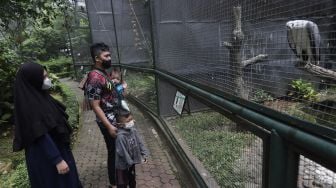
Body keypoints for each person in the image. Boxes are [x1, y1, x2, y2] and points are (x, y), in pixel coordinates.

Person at [13, 62, 82, 188]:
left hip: (58, 149)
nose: (47, 80)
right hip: (47, 157)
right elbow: (40, 134)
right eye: (43, 77)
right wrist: (57, 159)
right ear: (33, 80)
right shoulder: (29, 106)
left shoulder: (42, 97)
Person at [85, 42, 120, 187]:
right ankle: (114, 183)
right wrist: (109, 127)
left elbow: (109, 88)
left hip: (115, 117)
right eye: (106, 56)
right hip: (107, 121)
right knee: (113, 152)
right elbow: (95, 105)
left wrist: (117, 85)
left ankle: (120, 176)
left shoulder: (103, 73)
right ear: (97, 58)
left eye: (109, 55)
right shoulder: (94, 77)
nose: (109, 58)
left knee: (118, 150)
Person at [115, 109, 149, 188]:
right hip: (122, 166)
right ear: (120, 124)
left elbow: (139, 142)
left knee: (132, 180)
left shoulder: (133, 131)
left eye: (131, 119)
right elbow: (123, 152)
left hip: (131, 163)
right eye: (128, 121)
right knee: (122, 183)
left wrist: (144, 154)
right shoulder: (120, 137)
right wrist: (131, 162)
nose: (131, 122)